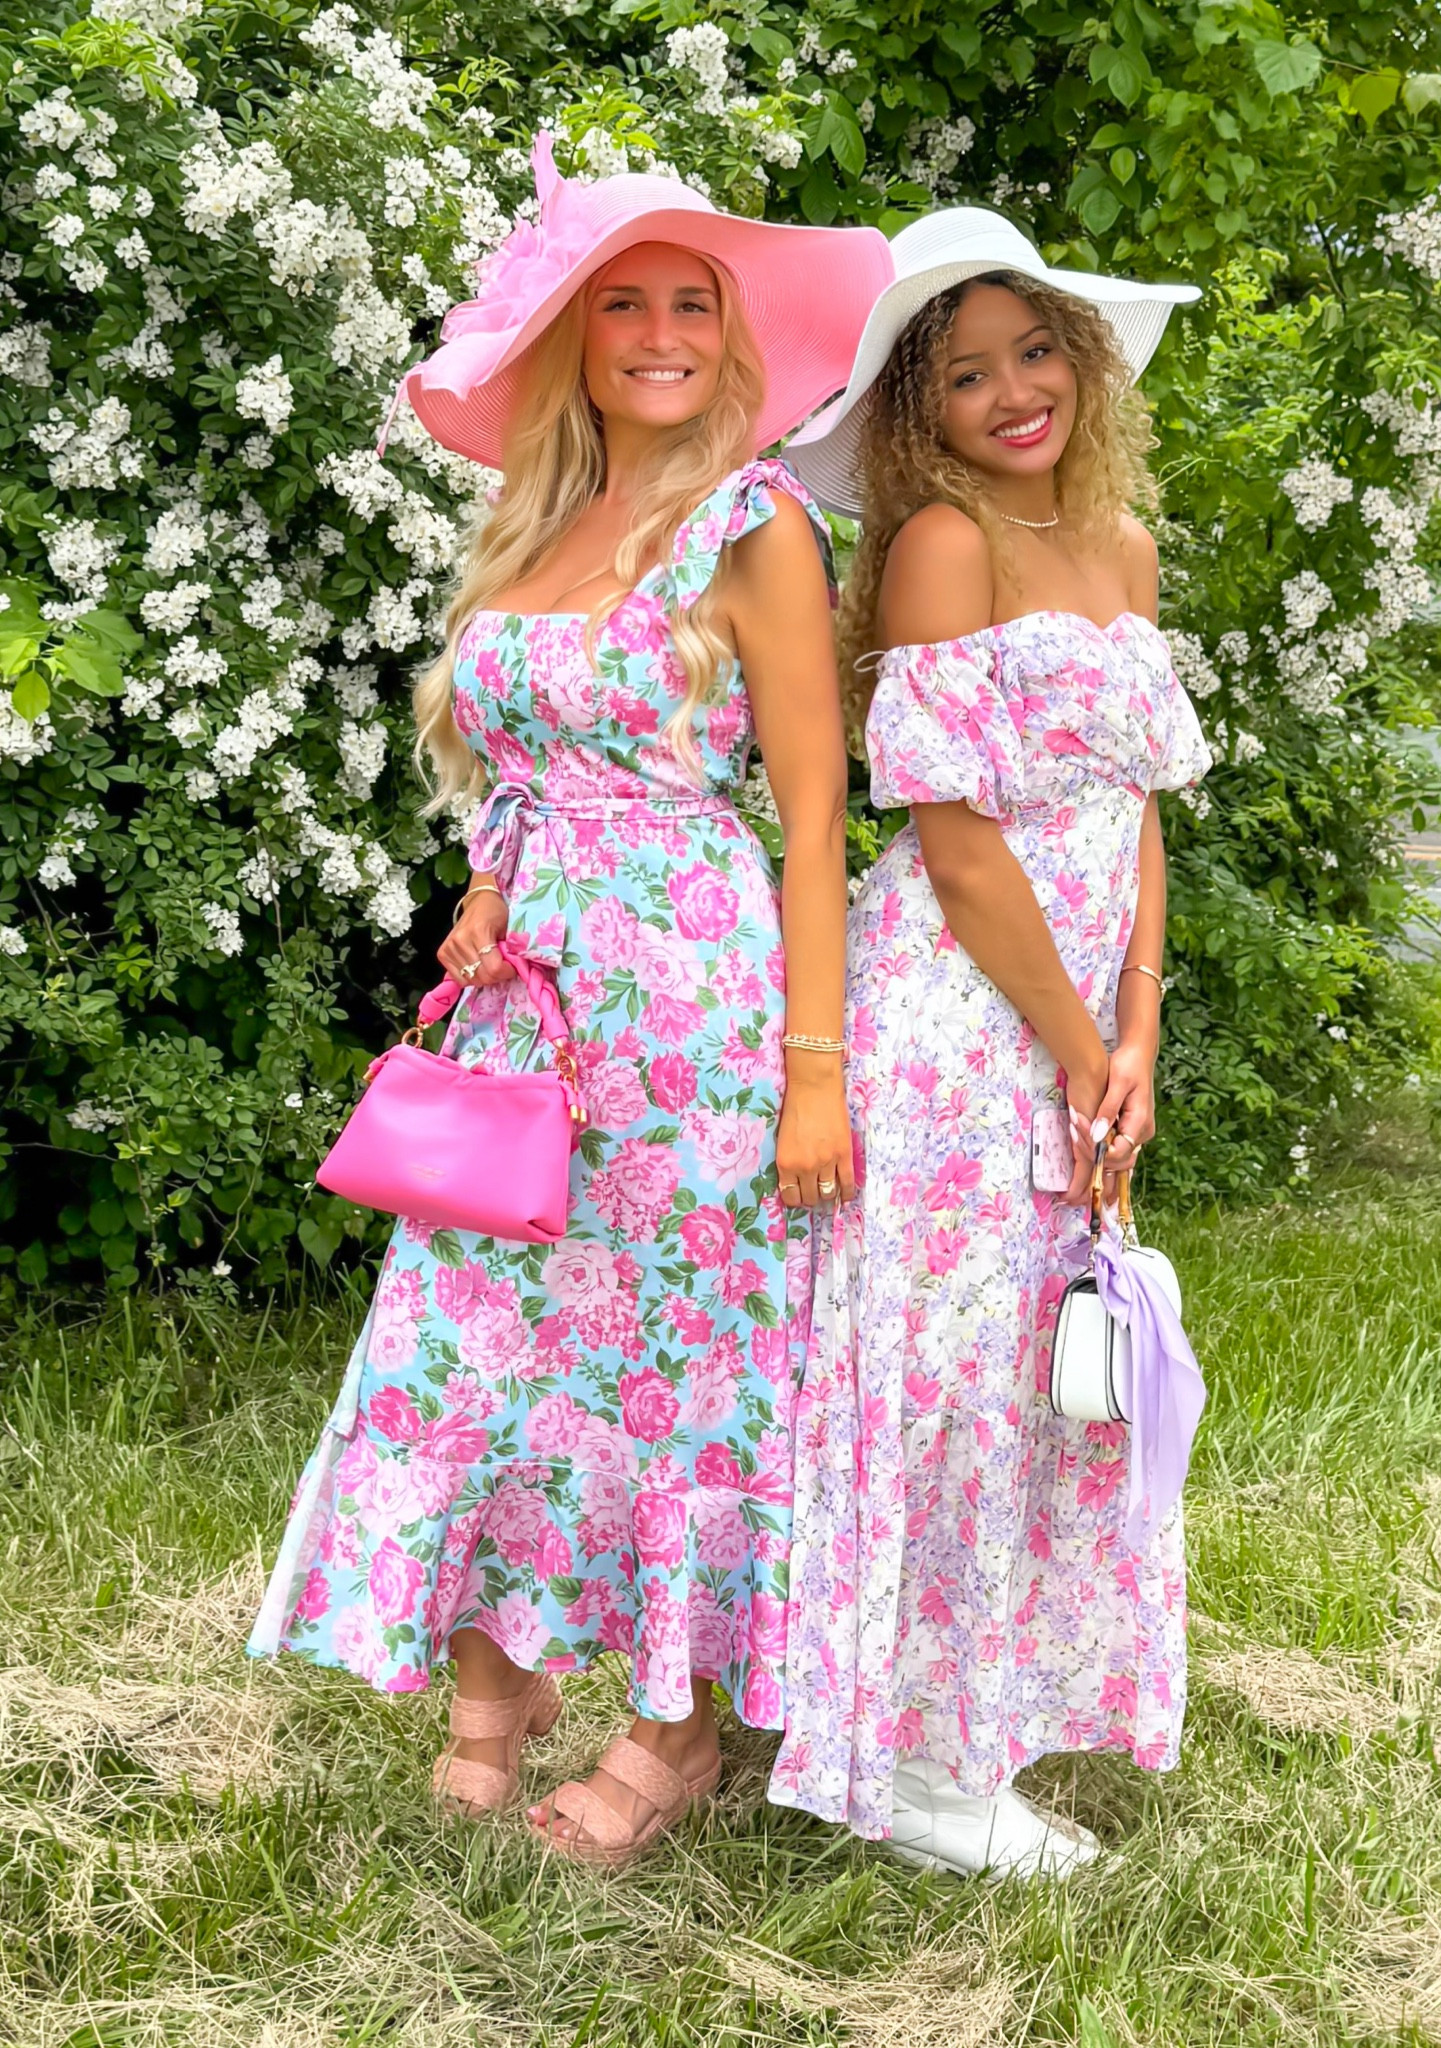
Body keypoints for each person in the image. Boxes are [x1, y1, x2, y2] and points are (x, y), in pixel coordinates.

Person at [248, 136, 892, 1868]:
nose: (665, 332)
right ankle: (498, 1675)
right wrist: (480, 894)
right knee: (480, 1330)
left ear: (731, 340)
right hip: (530, 1007)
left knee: (681, 1360)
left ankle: (673, 1730)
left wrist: (813, 1071)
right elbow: (522, 771)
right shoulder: (537, 518)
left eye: (694, 304)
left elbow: (815, 822)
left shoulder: (753, 522)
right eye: (627, 304)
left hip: (694, 1013)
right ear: (572, 337)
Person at [767, 208, 1210, 1877]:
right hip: (958, 1023)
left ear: (1081, 362)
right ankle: (919, 1771)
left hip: (1078, 1018)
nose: (1012, 391)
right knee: (947, 1376)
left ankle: (972, 1717)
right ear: (917, 412)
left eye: (1034, 351)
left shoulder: (1118, 548)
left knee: (1045, 1381)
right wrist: (1067, 1039)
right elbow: (955, 845)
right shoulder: (943, 547)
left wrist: (1136, 1026)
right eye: (965, 373)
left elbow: (1134, 814)